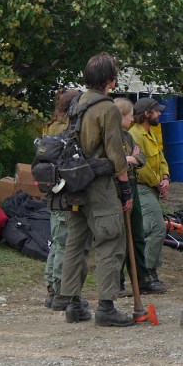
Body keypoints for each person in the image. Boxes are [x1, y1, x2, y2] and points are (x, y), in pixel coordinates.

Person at [61, 52, 134, 327]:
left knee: (76, 242)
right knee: (110, 241)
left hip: (74, 182)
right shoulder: (107, 108)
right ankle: (106, 306)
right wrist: (125, 189)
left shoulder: (76, 102)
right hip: (99, 184)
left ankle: (72, 302)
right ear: (110, 80)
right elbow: (116, 154)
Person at [113, 97, 156, 295]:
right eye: (130, 116)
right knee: (121, 235)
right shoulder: (111, 136)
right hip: (116, 187)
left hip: (133, 184)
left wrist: (132, 159)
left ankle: (141, 278)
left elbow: (140, 158)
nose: (132, 120)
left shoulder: (127, 137)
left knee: (137, 233)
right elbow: (115, 161)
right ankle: (117, 281)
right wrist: (128, 158)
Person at [42, 88, 80, 310]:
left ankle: (52, 287)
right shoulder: (66, 129)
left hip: (54, 190)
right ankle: (59, 290)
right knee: (64, 243)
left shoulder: (51, 126)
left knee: (57, 242)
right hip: (63, 190)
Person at [129, 97, 170, 293]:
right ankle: (148, 273)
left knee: (147, 229)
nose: (159, 113)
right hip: (141, 187)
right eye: (156, 111)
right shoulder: (135, 135)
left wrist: (166, 178)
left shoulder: (150, 132)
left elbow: (161, 157)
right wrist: (158, 183)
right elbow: (141, 168)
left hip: (152, 187)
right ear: (147, 114)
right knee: (157, 229)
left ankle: (144, 273)